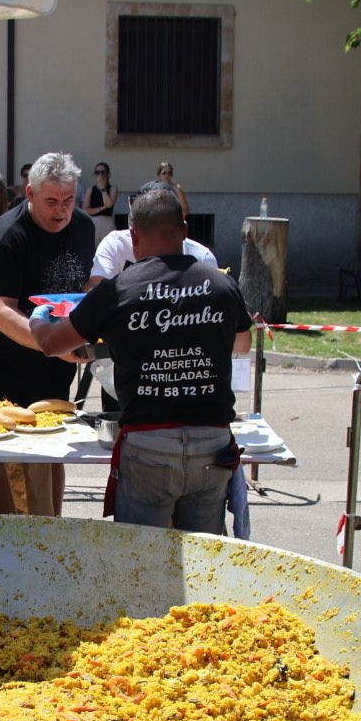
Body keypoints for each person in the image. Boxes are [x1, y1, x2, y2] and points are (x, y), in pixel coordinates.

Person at [29, 187, 251, 532]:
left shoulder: (118, 290)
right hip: (212, 445)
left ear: (133, 237)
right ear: (185, 232)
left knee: (139, 562)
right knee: (204, 560)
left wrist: (39, 317)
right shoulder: (221, 285)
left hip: (148, 447)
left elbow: (51, 344)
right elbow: (243, 344)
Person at [0, 152, 95, 515]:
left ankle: (46, 529)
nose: (61, 212)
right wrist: (52, 343)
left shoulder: (83, 227)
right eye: (52, 201)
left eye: (69, 201)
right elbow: (1, 313)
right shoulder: (5, 237)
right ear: (30, 193)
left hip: (53, 360)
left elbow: (84, 285)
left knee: (50, 454)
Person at [87, 180, 216, 281]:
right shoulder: (115, 244)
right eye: (148, 220)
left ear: (183, 230)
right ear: (134, 232)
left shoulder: (202, 257)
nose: (158, 232)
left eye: (165, 222)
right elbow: (96, 286)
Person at [83, 162, 117, 241]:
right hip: (93, 223)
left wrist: (102, 188)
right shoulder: (90, 190)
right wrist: (101, 208)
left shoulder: (113, 188)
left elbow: (108, 204)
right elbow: (85, 209)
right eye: (97, 172)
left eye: (103, 172)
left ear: (108, 174)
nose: (100, 175)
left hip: (107, 224)